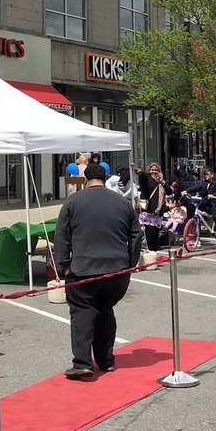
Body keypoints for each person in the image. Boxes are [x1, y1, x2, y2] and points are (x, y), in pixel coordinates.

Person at [53, 162, 143, 379]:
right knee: (105, 310)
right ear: (105, 178)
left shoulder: (73, 201)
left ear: (85, 180)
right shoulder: (122, 202)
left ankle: (83, 362)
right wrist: (129, 264)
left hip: (84, 270)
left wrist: (63, 266)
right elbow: (136, 235)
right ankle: (106, 360)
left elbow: (62, 236)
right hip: (117, 272)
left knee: (82, 314)